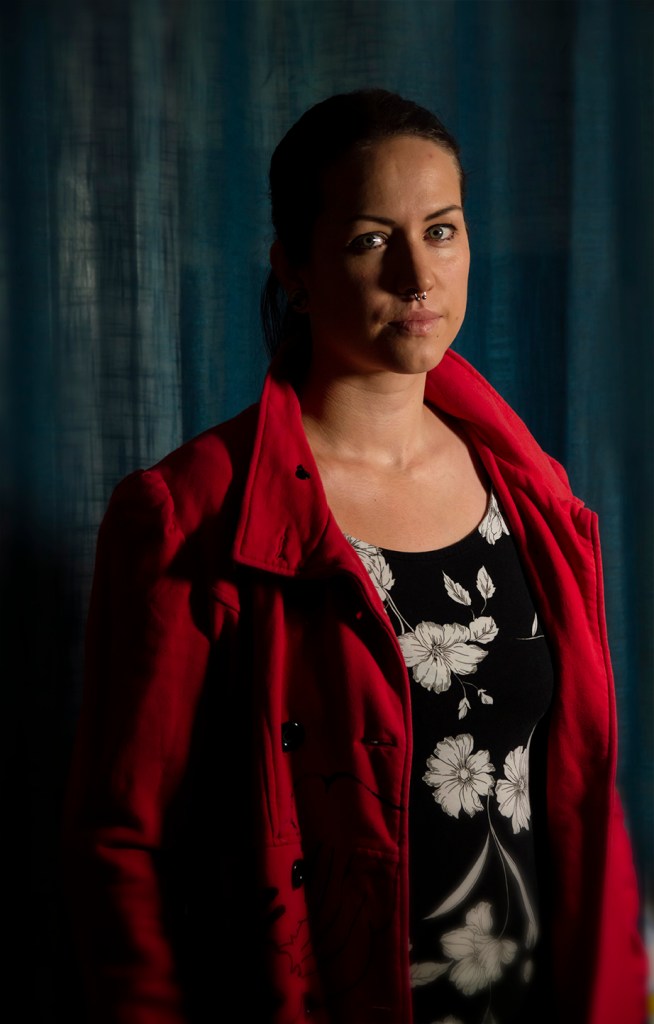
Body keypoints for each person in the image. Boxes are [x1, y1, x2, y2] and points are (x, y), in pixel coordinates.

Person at [63, 89, 648, 1024]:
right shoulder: (187, 515)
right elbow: (124, 846)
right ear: (294, 267)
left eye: (442, 231)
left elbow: (581, 797)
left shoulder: (530, 492)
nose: (417, 275)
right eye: (372, 240)